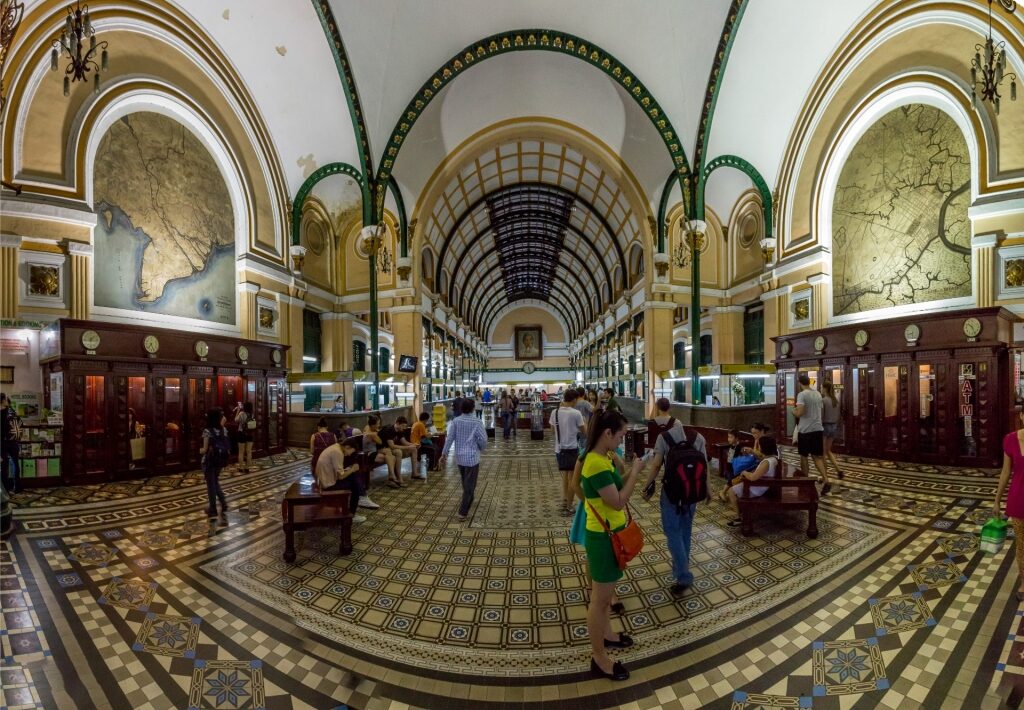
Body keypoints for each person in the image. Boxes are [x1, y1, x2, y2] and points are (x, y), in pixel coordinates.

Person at [574, 410, 641, 681]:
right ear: (607, 433)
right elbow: (617, 501)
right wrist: (636, 472)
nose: (622, 440)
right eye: (621, 435)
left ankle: (609, 635)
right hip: (602, 539)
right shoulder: (595, 463)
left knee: (605, 595)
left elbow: (614, 488)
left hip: (610, 533)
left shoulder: (604, 458)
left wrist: (629, 472)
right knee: (600, 601)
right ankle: (599, 658)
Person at [639, 416, 707, 596]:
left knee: (672, 532)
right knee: (685, 530)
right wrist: (708, 490)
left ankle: (683, 575)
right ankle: (680, 567)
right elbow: (704, 464)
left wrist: (646, 486)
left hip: (671, 492)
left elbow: (655, 465)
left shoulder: (664, 438)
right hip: (692, 492)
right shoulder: (698, 437)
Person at [439, 398, 488, 521]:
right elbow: (483, 440)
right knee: (470, 485)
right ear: (472, 408)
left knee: (465, 482)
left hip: (459, 457)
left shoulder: (456, 421)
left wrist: (444, 454)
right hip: (472, 458)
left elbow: (450, 438)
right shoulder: (477, 422)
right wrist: (480, 448)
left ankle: (469, 497)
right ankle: (463, 512)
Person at [993, 410, 1024, 601]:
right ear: (1021, 416)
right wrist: (997, 500)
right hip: (1018, 498)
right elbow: (1005, 472)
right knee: (1021, 545)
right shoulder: (1010, 439)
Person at [725, 437, 781, 527]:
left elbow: (753, 477)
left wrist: (744, 472)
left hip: (757, 487)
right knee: (735, 485)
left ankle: (738, 517)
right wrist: (751, 452)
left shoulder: (766, 462)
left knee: (731, 491)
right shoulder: (773, 458)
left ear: (764, 447)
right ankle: (741, 512)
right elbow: (761, 459)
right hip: (763, 484)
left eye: (760, 446)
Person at [793, 374, 832, 494]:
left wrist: (793, 412)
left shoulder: (802, 394)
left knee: (804, 457)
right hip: (817, 429)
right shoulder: (817, 394)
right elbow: (819, 410)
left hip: (805, 430)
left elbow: (800, 412)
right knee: (817, 457)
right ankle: (826, 479)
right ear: (809, 382)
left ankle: (805, 482)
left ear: (800, 383)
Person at [315, 440, 366, 523]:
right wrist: (352, 469)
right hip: (328, 485)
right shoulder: (338, 452)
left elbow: (338, 471)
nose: (349, 454)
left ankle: (362, 496)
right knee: (355, 487)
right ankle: (351, 514)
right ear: (347, 447)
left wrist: (349, 470)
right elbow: (341, 476)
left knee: (354, 477)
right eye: (350, 452)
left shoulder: (335, 447)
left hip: (326, 479)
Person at [551, 389, 585, 515]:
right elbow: (584, 431)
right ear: (575, 399)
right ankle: (569, 507)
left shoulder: (555, 412)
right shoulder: (576, 413)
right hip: (571, 449)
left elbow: (552, 431)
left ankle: (565, 500)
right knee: (573, 478)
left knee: (565, 476)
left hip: (559, 450)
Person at [200, 407, 230, 519]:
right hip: (220, 461)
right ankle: (223, 503)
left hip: (209, 461)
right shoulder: (224, 430)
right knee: (215, 482)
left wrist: (198, 451)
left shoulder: (207, 431)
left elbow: (205, 449)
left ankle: (213, 508)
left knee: (211, 485)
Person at [364, 414, 400, 489]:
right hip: (368, 454)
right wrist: (378, 433)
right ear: (373, 425)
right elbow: (380, 442)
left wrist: (378, 432)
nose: (379, 425)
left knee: (391, 456)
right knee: (390, 455)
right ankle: (391, 477)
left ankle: (391, 477)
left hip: (375, 452)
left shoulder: (369, 429)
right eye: (378, 424)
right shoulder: (371, 434)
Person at [821, 382, 844, 480]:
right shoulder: (836, 400)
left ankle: (825, 476)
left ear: (825, 388)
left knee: (822, 453)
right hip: (834, 427)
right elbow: (838, 416)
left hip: (825, 426)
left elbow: (821, 416)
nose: (821, 389)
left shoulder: (823, 400)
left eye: (822, 387)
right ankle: (838, 470)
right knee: (828, 450)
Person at [376, 417, 407, 487]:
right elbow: (391, 446)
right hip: (381, 449)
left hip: (387, 449)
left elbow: (403, 442)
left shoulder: (398, 430)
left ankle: (398, 477)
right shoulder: (389, 429)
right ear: (397, 424)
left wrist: (412, 446)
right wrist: (408, 447)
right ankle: (393, 478)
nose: (404, 428)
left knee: (398, 452)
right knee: (393, 455)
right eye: (403, 426)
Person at [0, 394, 20, 494]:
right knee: (15, 464)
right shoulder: (12, 411)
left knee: (3, 466)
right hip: (13, 441)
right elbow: (20, 423)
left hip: (2, 443)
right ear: (3, 400)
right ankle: (16, 487)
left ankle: (5, 489)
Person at [235, 402, 255, 472]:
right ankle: (247, 468)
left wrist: (238, 411)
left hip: (242, 433)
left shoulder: (241, 413)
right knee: (249, 451)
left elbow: (236, 420)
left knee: (241, 452)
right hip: (250, 433)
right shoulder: (252, 414)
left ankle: (241, 467)